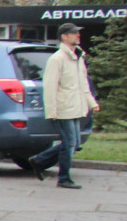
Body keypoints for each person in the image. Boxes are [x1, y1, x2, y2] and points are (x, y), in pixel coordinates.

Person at [29, 22, 99, 190]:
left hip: (76, 107)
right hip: (64, 108)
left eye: (78, 33)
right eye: (74, 33)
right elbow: (50, 86)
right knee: (69, 143)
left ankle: (39, 161)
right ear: (64, 37)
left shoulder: (78, 58)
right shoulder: (57, 59)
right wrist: (51, 111)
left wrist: (92, 103)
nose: (78, 35)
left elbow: (83, 85)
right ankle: (63, 178)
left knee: (73, 144)